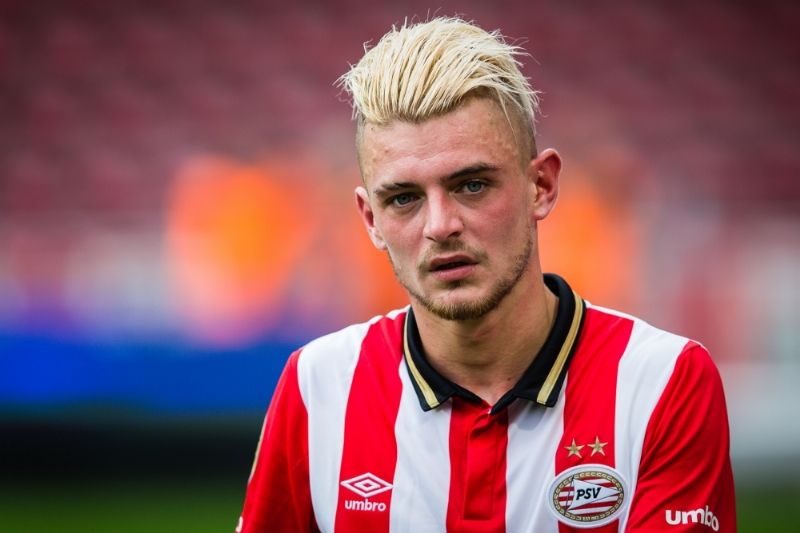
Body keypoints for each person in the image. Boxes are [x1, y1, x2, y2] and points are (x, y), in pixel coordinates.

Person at [235, 17, 736, 533]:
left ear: (541, 186)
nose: (439, 226)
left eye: (471, 185)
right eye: (404, 198)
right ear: (371, 220)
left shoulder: (663, 382)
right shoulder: (317, 386)